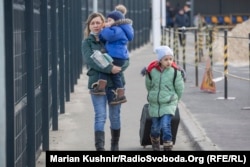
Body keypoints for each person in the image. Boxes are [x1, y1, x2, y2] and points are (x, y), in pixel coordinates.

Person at [81, 12, 129, 151]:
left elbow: (126, 59)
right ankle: (100, 149)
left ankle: (115, 146)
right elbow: (90, 60)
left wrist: (118, 68)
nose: (96, 25)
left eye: (98, 22)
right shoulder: (87, 43)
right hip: (97, 84)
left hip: (116, 84)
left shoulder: (113, 37)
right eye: (92, 23)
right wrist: (110, 68)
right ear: (89, 27)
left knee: (115, 116)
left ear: (104, 23)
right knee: (100, 116)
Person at [144, 46, 184, 151]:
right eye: (166, 59)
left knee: (166, 125)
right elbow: (149, 85)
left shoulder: (175, 72)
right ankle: (155, 140)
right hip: (155, 104)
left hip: (169, 103)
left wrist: (175, 100)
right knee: (155, 128)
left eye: (171, 59)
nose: (169, 62)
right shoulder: (152, 71)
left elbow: (179, 88)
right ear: (160, 60)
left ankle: (167, 145)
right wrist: (152, 95)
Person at [92, 10, 134, 105]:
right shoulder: (119, 29)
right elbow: (105, 38)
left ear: (116, 21)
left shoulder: (118, 29)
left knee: (104, 67)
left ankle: (101, 87)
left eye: (109, 20)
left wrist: (104, 28)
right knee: (115, 75)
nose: (107, 22)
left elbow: (108, 35)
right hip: (119, 56)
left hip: (115, 55)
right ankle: (120, 95)